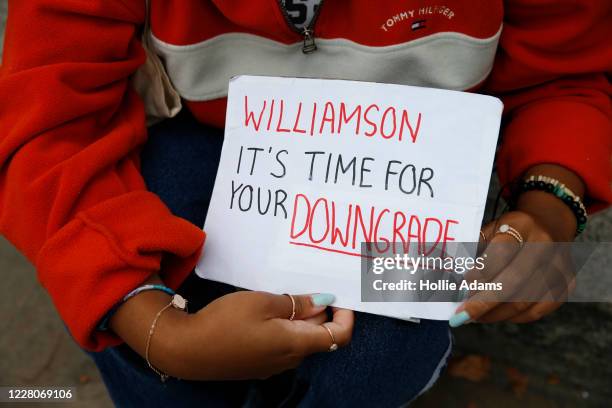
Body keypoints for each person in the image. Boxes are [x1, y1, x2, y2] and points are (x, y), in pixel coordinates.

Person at [0, 0, 610, 406]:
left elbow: (570, 75)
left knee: (382, 356)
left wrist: (550, 207)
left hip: (414, 174)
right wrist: (156, 330)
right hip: (200, 138)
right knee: (125, 304)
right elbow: (49, 124)